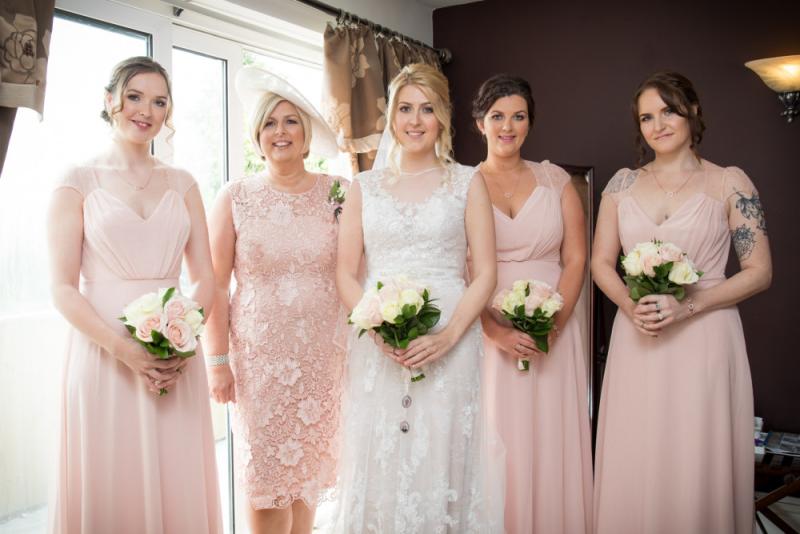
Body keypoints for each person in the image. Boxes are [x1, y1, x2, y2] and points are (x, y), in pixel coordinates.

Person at [592, 71, 772, 534]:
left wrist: (689, 307)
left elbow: (759, 272)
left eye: (668, 110)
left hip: (705, 336)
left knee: (696, 451)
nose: (659, 124)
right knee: (639, 449)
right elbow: (600, 264)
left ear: (692, 110)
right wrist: (630, 309)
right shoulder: (621, 185)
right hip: (639, 336)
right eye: (647, 117)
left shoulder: (729, 183)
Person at [47, 56, 222, 533]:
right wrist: (125, 349)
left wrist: (183, 341)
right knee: (112, 479)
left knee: (176, 476)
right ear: (110, 102)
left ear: (168, 112)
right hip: (104, 355)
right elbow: (62, 289)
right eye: (134, 97)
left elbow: (206, 276)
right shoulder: (76, 180)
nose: (146, 110)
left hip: (175, 358)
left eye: (159, 101)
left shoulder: (182, 182)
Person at [332, 62, 503, 532]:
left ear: (443, 117)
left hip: (452, 338)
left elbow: (485, 273)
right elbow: (346, 273)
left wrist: (448, 336)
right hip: (378, 345)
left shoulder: (467, 182)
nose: (414, 120)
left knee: (442, 452)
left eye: (427, 109)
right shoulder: (364, 187)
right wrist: (375, 327)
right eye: (405, 108)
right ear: (391, 118)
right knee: (383, 454)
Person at [203, 66, 345, 534]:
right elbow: (215, 285)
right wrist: (217, 360)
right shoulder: (236, 196)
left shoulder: (337, 195)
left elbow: (354, 273)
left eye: (290, 122)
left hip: (324, 361)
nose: (279, 132)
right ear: (256, 135)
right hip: (260, 365)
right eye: (269, 123)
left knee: (307, 481)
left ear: (307, 136)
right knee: (265, 484)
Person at [472, 74, 592, 534]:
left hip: (555, 326)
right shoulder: (464, 185)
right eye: (498, 116)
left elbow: (577, 256)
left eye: (518, 116)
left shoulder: (555, 179)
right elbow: (458, 267)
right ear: (479, 124)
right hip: (488, 331)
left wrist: (555, 324)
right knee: (498, 434)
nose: (508, 126)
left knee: (550, 434)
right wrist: (494, 330)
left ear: (530, 123)